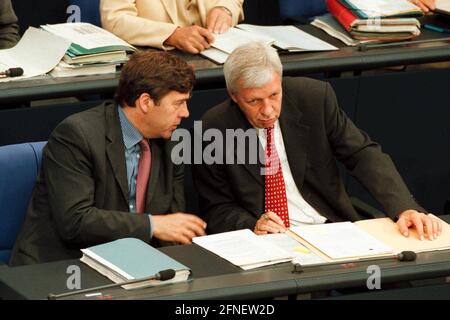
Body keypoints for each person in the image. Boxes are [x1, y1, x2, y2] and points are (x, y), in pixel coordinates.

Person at [193, 42, 442, 240]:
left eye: (274, 95)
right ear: (234, 96)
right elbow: (217, 207)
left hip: (327, 225)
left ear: (281, 81)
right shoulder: (215, 127)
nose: (268, 110)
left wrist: (404, 207)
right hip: (268, 239)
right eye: (254, 101)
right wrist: (252, 225)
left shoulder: (312, 98)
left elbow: (362, 154)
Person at [10, 51, 207, 266]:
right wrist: (151, 225)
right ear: (145, 102)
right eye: (178, 103)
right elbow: (75, 222)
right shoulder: (77, 135)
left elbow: (172, 223)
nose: (186, 113)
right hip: (66, 265)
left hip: (134, 263)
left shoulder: (171, 142)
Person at [100, 0, 244, 54]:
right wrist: (172, 35)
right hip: (154, 72)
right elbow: (115, 20)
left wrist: (225, 8)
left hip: (218, 66)